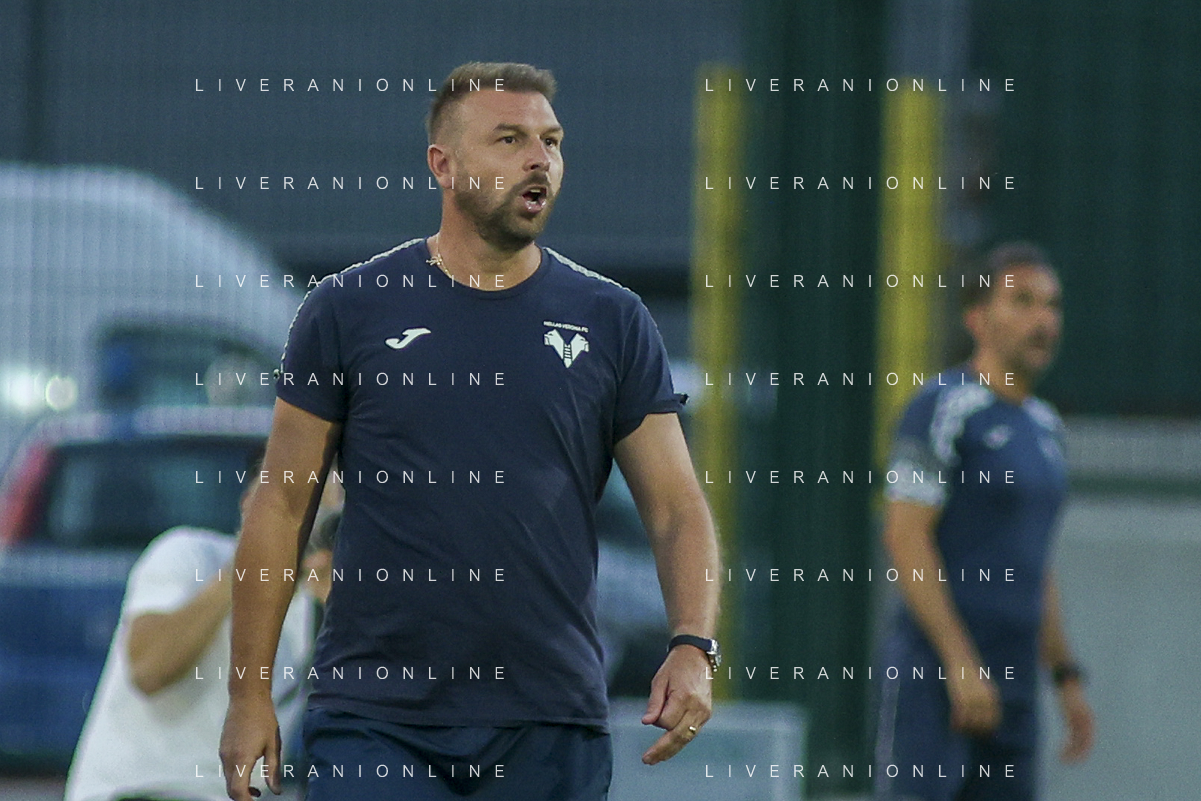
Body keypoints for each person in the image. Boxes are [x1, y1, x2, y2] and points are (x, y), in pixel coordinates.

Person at [219, 62, 721, 801]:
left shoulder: (611, 319)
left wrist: (693, 646)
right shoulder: (348, 309)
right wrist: (248, 693)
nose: (539, 158)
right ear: (443, 165)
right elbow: (281, 504)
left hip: (548, 719)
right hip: (375, 718)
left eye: (551, 141)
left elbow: (677, 507)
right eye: (509, 139)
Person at [874, 242, 1095, 800]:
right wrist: (959, 663)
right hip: (935, 677)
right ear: (976, 317)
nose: (1043, 320)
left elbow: (1034, 562)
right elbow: (905, 536)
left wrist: (1065, 676)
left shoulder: (1046, 428)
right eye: (1022, 301)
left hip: (1014, 683)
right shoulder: (942, 407)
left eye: (1052, 305)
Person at [64, 447, 336, 801]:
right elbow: (148, 670)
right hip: (142, 789)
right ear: (249, 504)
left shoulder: (316, 602)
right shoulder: (189, 554)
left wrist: (338, 605)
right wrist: (250, 563)